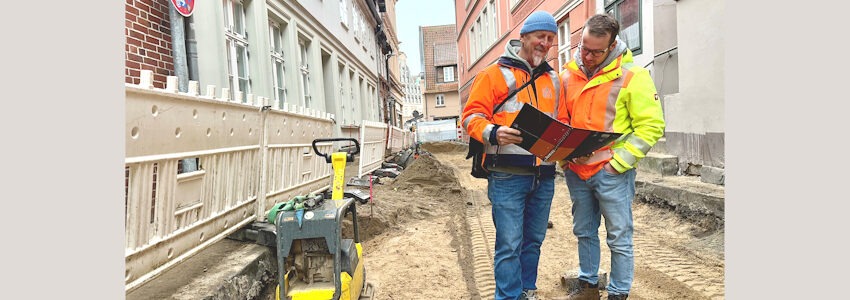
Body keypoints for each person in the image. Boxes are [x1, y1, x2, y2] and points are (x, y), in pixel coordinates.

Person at [556, 14, 666, 300]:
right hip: (577, 172)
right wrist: (565, 160)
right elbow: (561, 121)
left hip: (612, 172)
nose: (588, 56)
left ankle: (617, 293)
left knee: (618, 236)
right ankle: (589, 287)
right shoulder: (567, 76)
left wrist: (619, 164)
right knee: (584, 232)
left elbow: (651, 126)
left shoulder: (633, 75)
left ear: (612, 45)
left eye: (596, 51)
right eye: (584, 48)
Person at [461, 11, 565, 300]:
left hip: (544, 175)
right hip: (506, 174)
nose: (545, 44)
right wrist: (493, 132)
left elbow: (562, 120)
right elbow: (470, 117)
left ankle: (526, 291)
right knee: (509, 243)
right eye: (539, 37)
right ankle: (508, 297)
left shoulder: (554, 80)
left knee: (533, 240)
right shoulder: (493, 74)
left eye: (550, 39)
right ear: (524, 38)